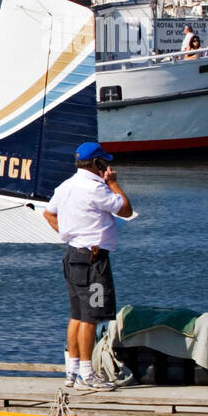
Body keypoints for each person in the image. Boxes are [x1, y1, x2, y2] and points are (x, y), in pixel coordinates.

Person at [43, 142, 135, 391]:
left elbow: (48, 214)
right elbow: (126, 210)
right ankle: (88, 374)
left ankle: (71, 373)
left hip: (74, 256)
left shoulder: (66, 186)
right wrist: (113, 182)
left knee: (77, 315)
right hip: (94, 261)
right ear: (97, 164)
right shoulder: (97, 189)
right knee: (91, 318)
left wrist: (67, 235)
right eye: (104, 162)